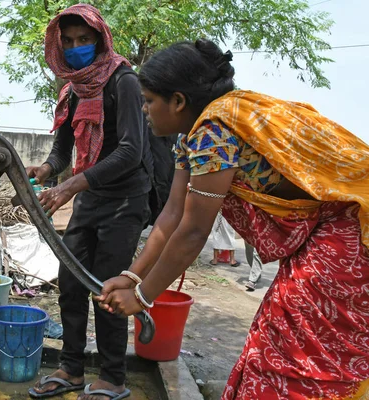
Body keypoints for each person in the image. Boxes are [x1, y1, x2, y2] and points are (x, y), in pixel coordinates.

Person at [96, 38, 369, 399]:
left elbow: (194, 231)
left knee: (296, 352)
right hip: (327, 230)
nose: (144, 110)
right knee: (277, 339)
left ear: (177, 101)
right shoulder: (192, 137)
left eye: (148, 101)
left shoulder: (213, 132)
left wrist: (144, 296)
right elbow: (172, 216)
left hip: (347, 230)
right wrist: (132, 276)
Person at [26, 4, 151, 399]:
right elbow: (64, 150)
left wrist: (72, 185)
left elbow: (132, 150)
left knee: (107, 287)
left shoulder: (123, 81)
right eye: (68, 41)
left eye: (84, 40)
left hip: (125, 198)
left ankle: (113, 377)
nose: (76, 47)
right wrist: (47, 169)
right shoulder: (73, 89)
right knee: (70, 283)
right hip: (90, 196)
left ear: (99, 39)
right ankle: (72, 369)